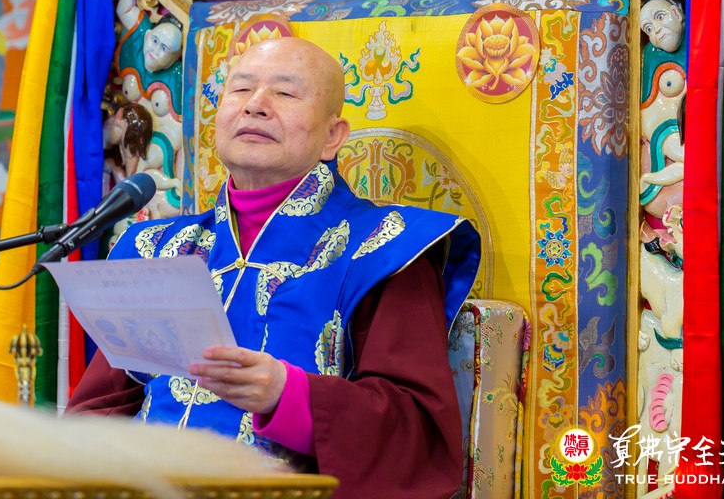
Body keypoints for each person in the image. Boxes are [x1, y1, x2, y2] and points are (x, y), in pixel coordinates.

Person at [68, 36, 480, 499]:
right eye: (241, 90)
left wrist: (289, 396)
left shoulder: (385, 249)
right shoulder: (159, 248)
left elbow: (417, 437)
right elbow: (100, 409)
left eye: (284, 93)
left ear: (332, 136)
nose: (255, 105)